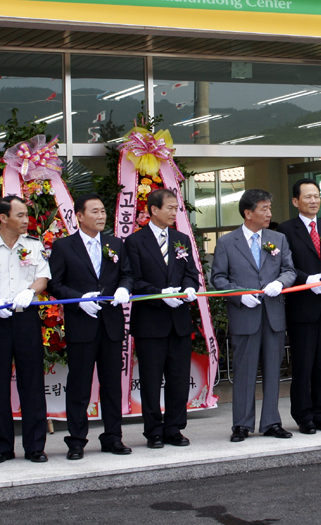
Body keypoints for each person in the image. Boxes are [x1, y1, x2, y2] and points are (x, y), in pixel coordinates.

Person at [47, 194, 134, 459]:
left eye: (103, 211)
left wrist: (123, 288)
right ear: (79, 216)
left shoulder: (115, 244)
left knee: (111, 385)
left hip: (111, 324)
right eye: (94, 211)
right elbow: (54, 283)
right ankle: (76, 440)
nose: (101, 216)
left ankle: (113, 437)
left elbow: (127, 274)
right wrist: (77, 301)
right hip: (82, 325)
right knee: (79, 385)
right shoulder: (64, 246)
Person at [211, 189, 296, 442]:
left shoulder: (277, 239)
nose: (269, 213)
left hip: (273, 315)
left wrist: (280, 283)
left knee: (273, 370)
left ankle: (271, 422)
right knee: (245, 371)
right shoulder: (227, 242)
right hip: (244, 315)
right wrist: (238, 295)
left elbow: (289, 270)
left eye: (270, 208)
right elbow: (218, 278)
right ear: (248, 213)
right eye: (264, 209)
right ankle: (241, 424)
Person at [0, 195, 50, 464]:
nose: (26, 220)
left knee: (32, 384)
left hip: (26, 317)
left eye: (26, 215)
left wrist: (30, 292)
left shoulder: (33, 244)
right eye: (20, 215)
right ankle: (2, 447)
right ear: (3, 218)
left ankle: (35, 446)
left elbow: (43, 275)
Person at [124, 188, 199, 449]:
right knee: (151, 380)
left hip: (178, 320)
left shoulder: (181, 239)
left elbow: (192, 273)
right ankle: (153, 430)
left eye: (176, 208)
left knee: (178, 378)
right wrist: (159, 294)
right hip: (150, 323)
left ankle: (174, 428)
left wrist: (190, 288)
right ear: (153, 210)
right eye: (169, 207)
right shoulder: (135, 242)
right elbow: (132, 280)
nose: (173, 212)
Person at [276, 179, 321, 434]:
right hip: (301, 306)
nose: (314, 201)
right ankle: (303, 416)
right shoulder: (285, 230)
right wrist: (307, 280)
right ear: (295, 201)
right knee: (304, 364)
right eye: (308, 197)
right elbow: (284, 265)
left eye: (317, 196)